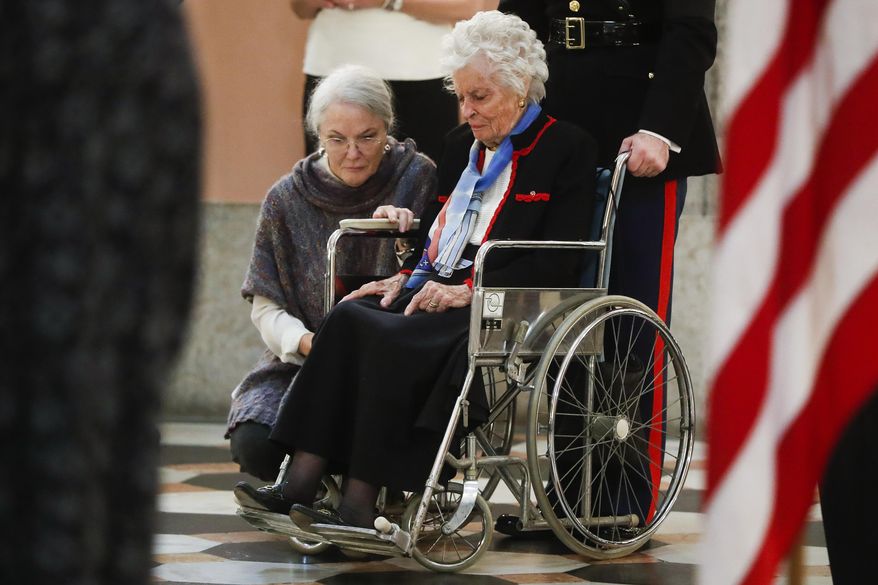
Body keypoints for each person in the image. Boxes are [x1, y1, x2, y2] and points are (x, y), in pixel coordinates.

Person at [234, 10, 597, 529]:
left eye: (480, 97)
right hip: (437, 286)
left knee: (389, 340)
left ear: (521, 90)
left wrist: (470, 289)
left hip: (499, 297)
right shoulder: (457, 148)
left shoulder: (566, 148)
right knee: (348, 316)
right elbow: (433, 235)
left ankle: (359, 505)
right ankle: (300, 482)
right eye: (462, 95)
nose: (466, 110)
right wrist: (407, 276)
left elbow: (558, 254)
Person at [499, 0, 721, 519]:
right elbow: (515, 22)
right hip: (557, 123)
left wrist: (661, 128)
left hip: (641, 130)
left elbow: (690, 30)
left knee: (630, 317)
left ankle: (625, 495)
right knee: (562, 312)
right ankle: (571, 491)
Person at [226, 64, 435, 482]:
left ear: (387, 128)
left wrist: (407, 236)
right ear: (317, 135)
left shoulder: (418, 176)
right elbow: (266, 307)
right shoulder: (285, 198)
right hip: (303, 360)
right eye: (336, 139)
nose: (352, 153)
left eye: (367, 137)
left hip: (390, 366)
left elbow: (438, 269)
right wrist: (307, 345)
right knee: (255, 443)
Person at [291, 0, 498, 162]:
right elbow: (300, 7)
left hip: (419, 75)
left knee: (425, 185)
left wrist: (388, 2)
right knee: (329, 182)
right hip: (332, 70)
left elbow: (467, 5)